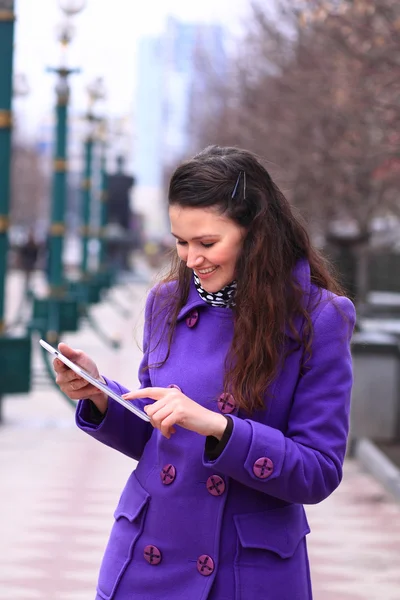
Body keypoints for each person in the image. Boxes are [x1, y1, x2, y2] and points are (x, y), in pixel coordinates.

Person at [53, 145, 356, 600]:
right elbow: (160, 437)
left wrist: (219, 428)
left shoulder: (319, 317)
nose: (191, 258)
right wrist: (99, 395)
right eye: (180, 241)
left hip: (243, 573)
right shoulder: (167, 301)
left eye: (207, 243)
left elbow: (318, 470)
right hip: (145, 561)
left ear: (256, 232)